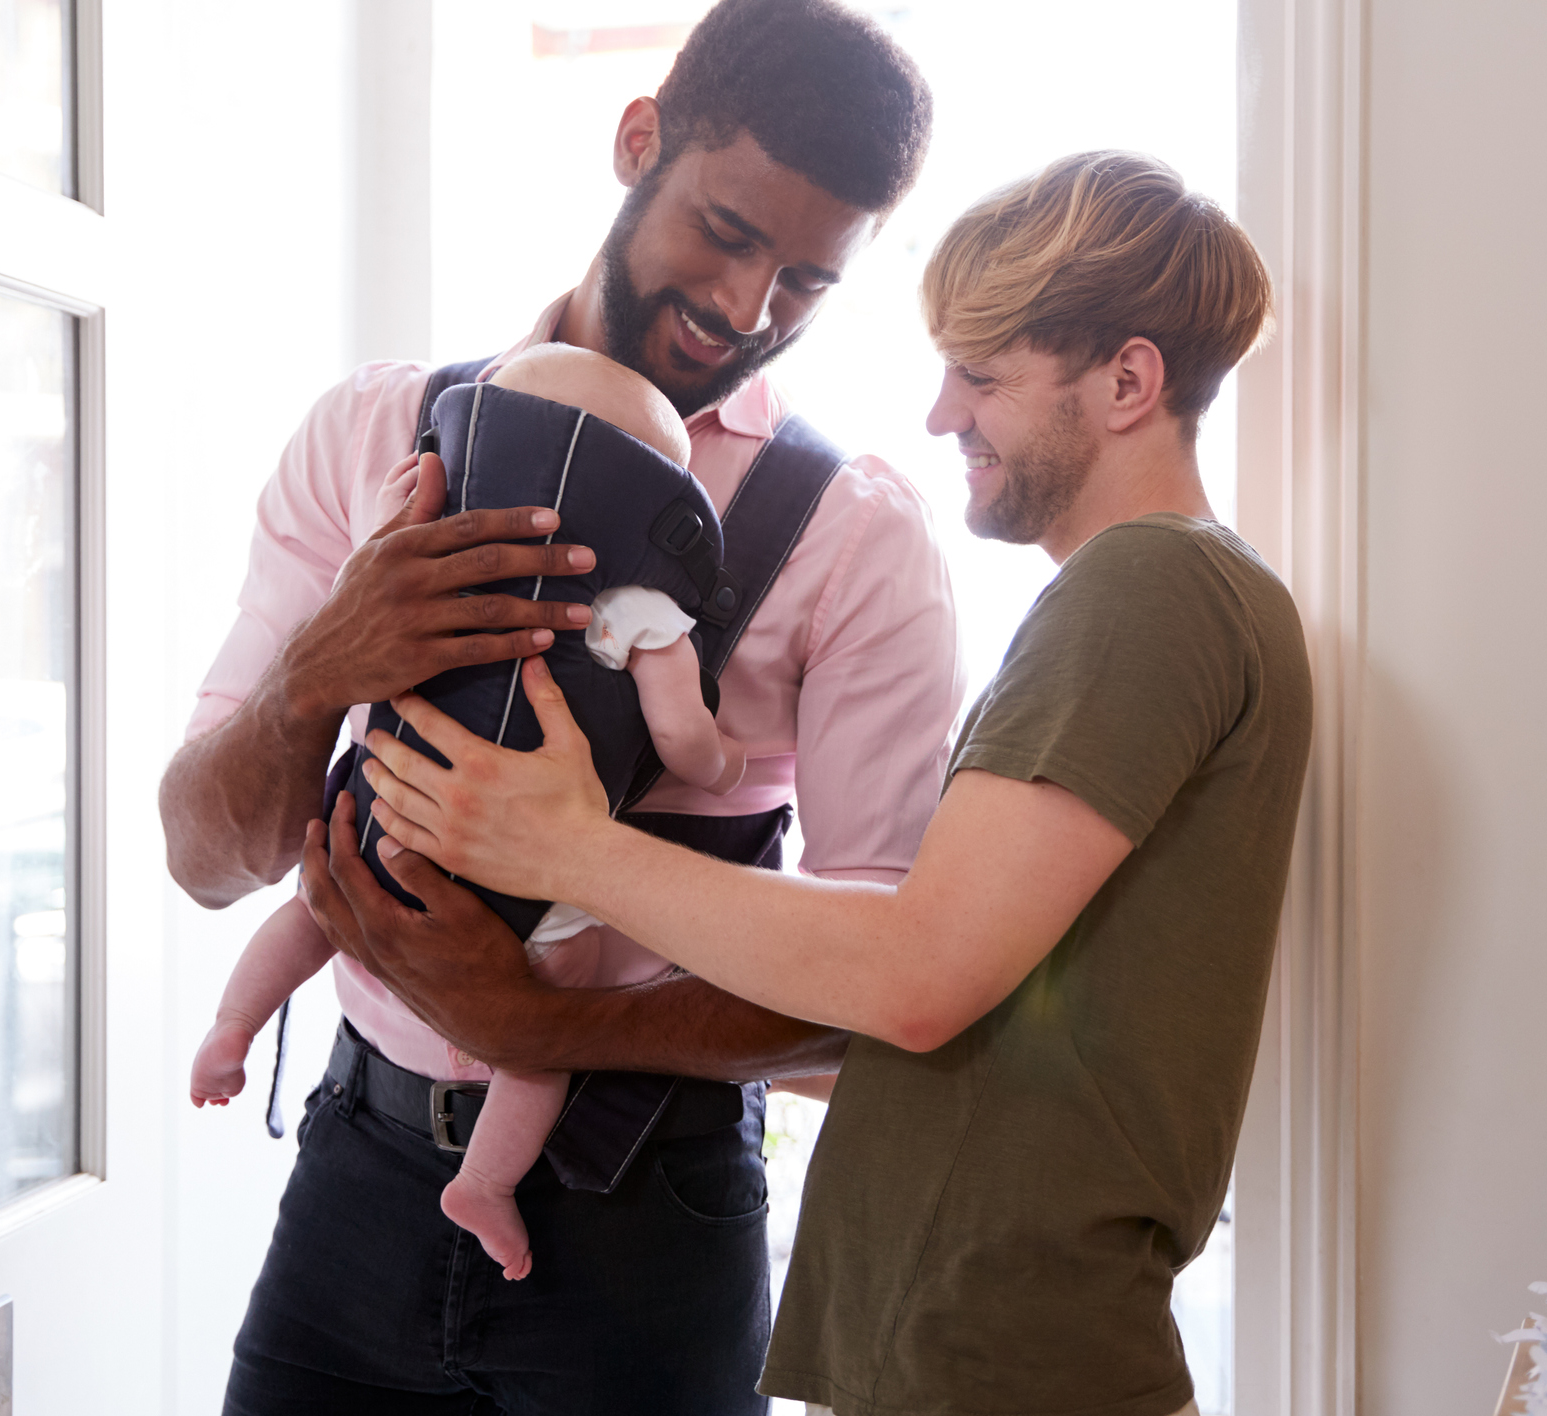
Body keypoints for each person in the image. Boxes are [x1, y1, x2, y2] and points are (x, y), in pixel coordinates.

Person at [312, 152, 1313, 1416]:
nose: (944, 414)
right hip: (978, 1340)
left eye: (984, 376)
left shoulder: (1146, 592)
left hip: (1007, 1360)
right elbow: (972, 999)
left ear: (1127, 382)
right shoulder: (1174, 598)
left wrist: (569, 851)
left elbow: (912, 974)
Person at [159, 1, 957, 1410]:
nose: (744, 309)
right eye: (724, 229)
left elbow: (881, 1000)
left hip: (652, 1221)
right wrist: (319, 670)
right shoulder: (370, 434)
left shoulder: (857, 538)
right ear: (637, 139)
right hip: (351, 1179)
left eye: (805, 282)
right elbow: (204, 855)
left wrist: (550, 1024)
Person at [189, 343, 742, 1283]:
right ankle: (486, 1184)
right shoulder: (637, 607)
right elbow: (687, 742)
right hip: (528, 885)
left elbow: (357, 592)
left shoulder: (413, 536)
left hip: (385, 814)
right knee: (543, 1023)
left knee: (315, 910)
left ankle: (232, 1028)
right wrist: (721, 762)